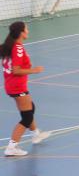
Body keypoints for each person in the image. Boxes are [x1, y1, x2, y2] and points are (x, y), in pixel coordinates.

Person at [1, 21, 51, 156]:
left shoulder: (9, 46)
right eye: (26, 29)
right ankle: (11, 147)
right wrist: (34, 70)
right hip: (17, 86)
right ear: (21, 33)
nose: (28, 31)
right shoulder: (17, 48)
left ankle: (36, 134)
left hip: (13, 85)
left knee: (30, 108)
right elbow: (16, 70)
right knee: (27, 117)